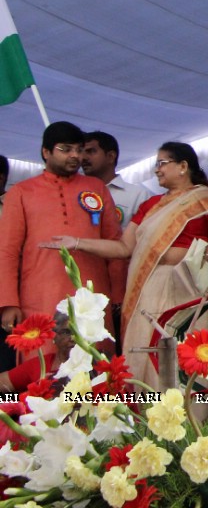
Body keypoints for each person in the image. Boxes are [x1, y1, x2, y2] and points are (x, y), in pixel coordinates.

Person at [44, 141, 208, 388]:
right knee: (146, 350)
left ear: (183, 166)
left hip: (190, 289)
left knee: (188, 357)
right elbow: (124, 248)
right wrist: (76, 242)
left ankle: (190, 421)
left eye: (162, 164)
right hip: (149, 287)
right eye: (156, 165)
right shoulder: (149, 206)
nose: (157, 170)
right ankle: (146, 418)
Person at [0, 122, 122, 351]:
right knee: (44, 364)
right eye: (65, 149)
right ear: (46, 152)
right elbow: (7, 250)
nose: (75, 156)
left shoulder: (96, 187)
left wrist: (118, 295)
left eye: (79, 149)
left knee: (98, 365)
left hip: (93, 294)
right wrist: (8, 302)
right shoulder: (21, 192)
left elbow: (115, 244)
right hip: (40, 294)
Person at [81, 130, 151, 339]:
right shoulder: (75, 194)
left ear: (111, 156)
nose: (83, 158)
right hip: (86, 277)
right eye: (81, 151)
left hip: (126, 283)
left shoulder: (138, 194)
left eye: (91, 151)